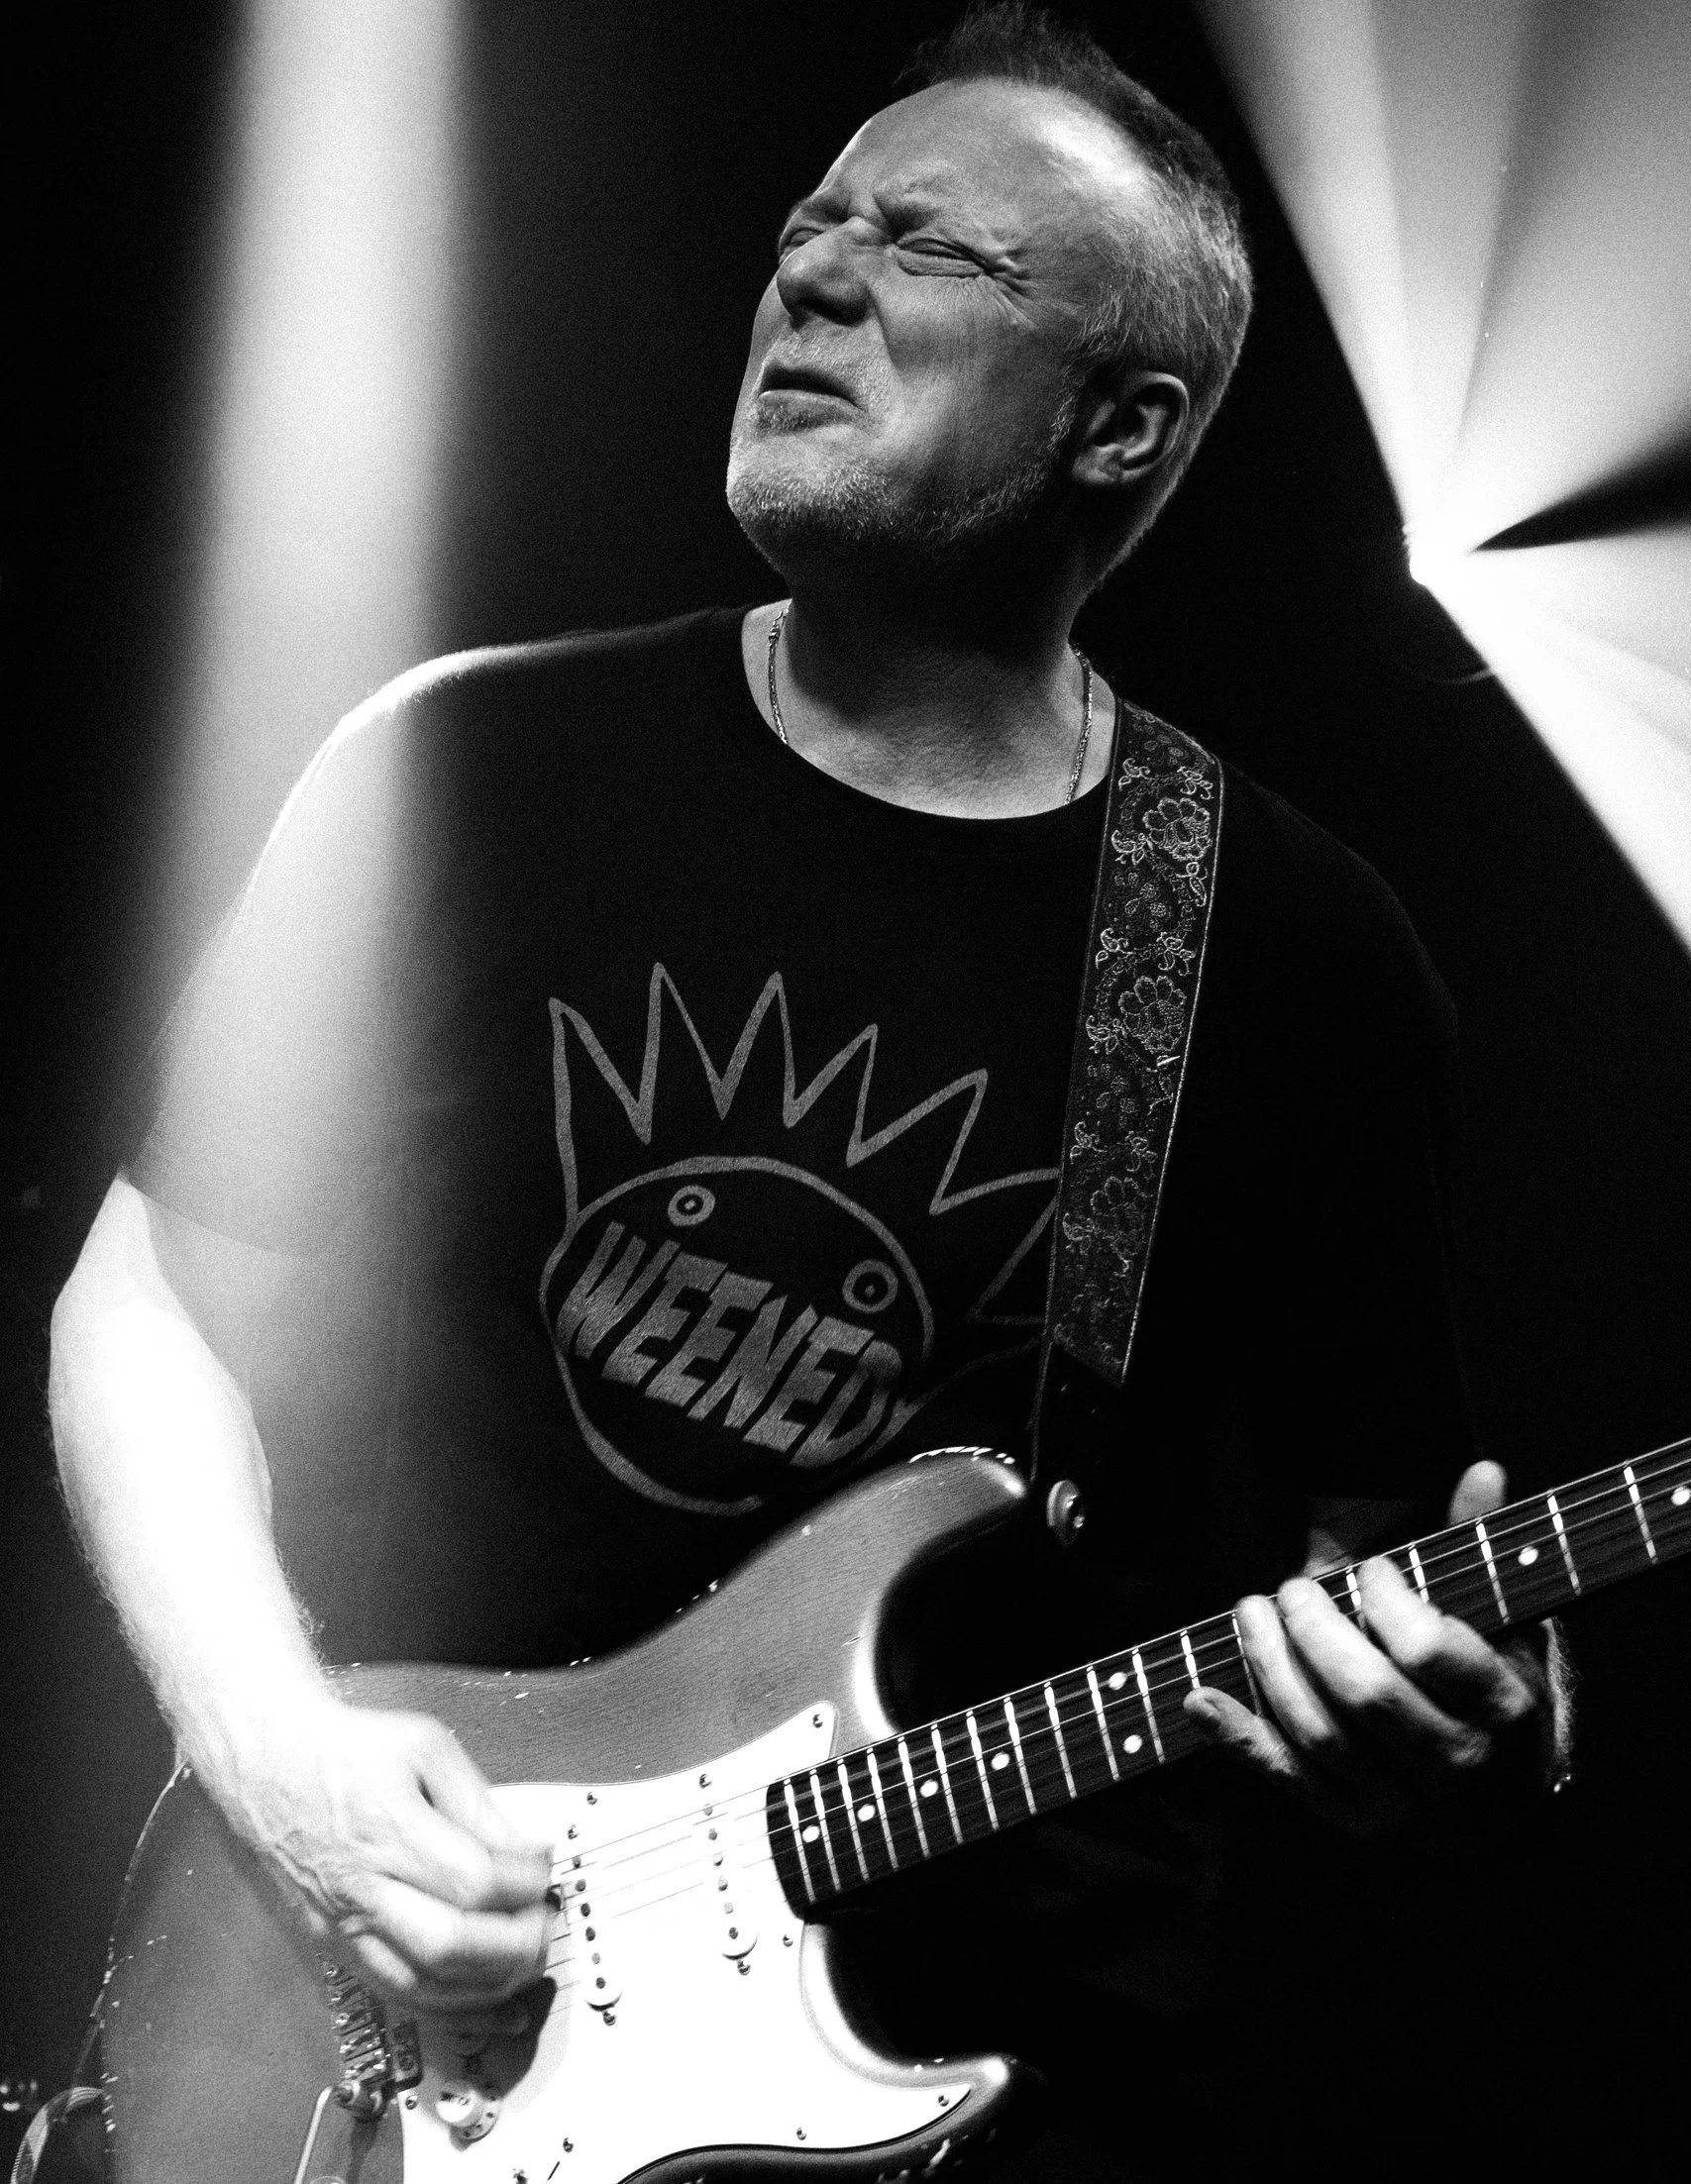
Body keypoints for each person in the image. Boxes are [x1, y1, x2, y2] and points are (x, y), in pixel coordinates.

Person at [49, 8, 1563, 2172]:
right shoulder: (471, 763)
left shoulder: (1293, 960)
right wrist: (276, 1748)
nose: (818, 277)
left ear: (1121, 426)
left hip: (985, 2076)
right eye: (810, 226)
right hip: (409, 1998)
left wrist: (1472, 1726)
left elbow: (1390, 1569)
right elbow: (154, 1298)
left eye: (930, 249)